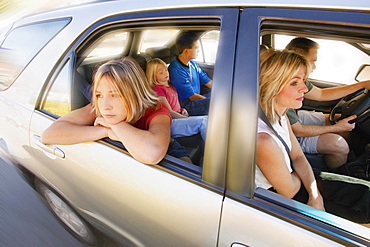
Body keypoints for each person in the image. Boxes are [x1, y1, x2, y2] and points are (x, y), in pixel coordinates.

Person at [257, 49, 370, 224]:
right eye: (294, 83)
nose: (304, 88)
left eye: (303, 80)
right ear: (271, 85)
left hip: (296, 181)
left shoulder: (281, 116)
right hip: (277, 198)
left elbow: (298, 156)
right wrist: (311, 188)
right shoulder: (263, 139)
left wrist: (314, 193)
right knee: (364, 208)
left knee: (365, 193)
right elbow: (288, 190)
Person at [41, 57, 173, 165]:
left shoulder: (157, 110)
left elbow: (152, 153)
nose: (105, 106)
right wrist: (106, 131)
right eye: (99, 95)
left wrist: (114, 125)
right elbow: (48, 135)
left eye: (114, 95)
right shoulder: (100, 108)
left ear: (135, 93)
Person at [284, 37, 370, 170]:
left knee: (338, 118)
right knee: (338, 144)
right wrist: (336, 128)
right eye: (312, 61)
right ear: (298, 58)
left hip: (295, 119)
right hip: (290, 133)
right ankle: (338, 177)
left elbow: (321, 94)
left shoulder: (298, 78)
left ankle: (349, 160)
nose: (314, 67)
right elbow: (297, 131)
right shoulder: (283, 90)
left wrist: (362, 85)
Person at [146, 58, 208, 142]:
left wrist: (182, 109)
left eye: (166, 70)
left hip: (177, 117)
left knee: (208, 119)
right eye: (161, 72)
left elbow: (175, 105)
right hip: (170, 123)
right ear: (153, 76)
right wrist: (185, 118)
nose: (165, 73)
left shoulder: (171, 87)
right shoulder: (158, 90)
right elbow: (169, 112)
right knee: (204, 121)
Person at [168, 31, 213, 116]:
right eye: (196, 48)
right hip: (187, 105)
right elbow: (192, 97)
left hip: (197, 99)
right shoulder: (176, 70)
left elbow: (207, 81)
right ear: (186, 51)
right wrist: (211, 100)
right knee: (217, 103)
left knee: (222, 96)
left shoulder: (192, 64)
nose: (199, 50)